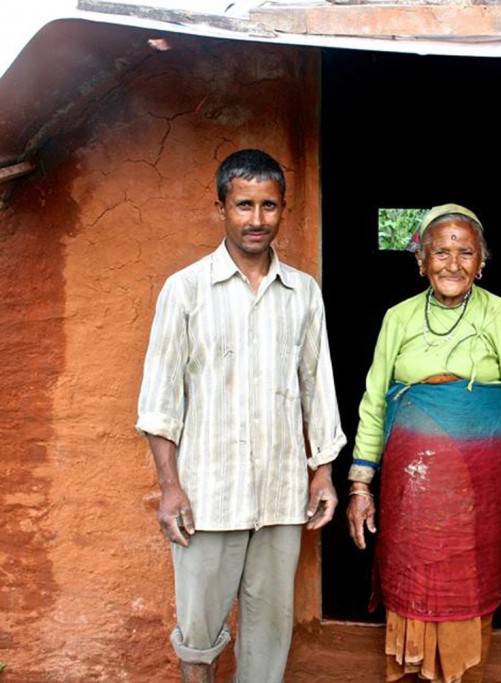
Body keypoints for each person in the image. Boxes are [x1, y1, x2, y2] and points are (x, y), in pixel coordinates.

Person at [135, 149, 346, 683]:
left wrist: (322, 472)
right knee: (198, 637)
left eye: (268, 205)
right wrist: (170, 489)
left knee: (269, 635)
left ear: (284, 209)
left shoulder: (303, 293)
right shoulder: (186, 290)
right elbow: (160, 403)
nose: (257, 219)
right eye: (244, 205)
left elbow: (317, 388)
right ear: (221, 208)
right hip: (208, 498)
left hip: (280, 496)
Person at [345, 204, 501, 683]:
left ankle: (460, 673)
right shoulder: (398, 317)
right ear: (421, 261)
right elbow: (373, 402)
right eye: (440, 252)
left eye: (466, 252)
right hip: (410, 487)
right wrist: (360, 485)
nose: (453, 264)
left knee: (466, 577)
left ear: (482, 262)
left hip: (478, 486)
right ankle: (412, 669)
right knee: (412, 571)